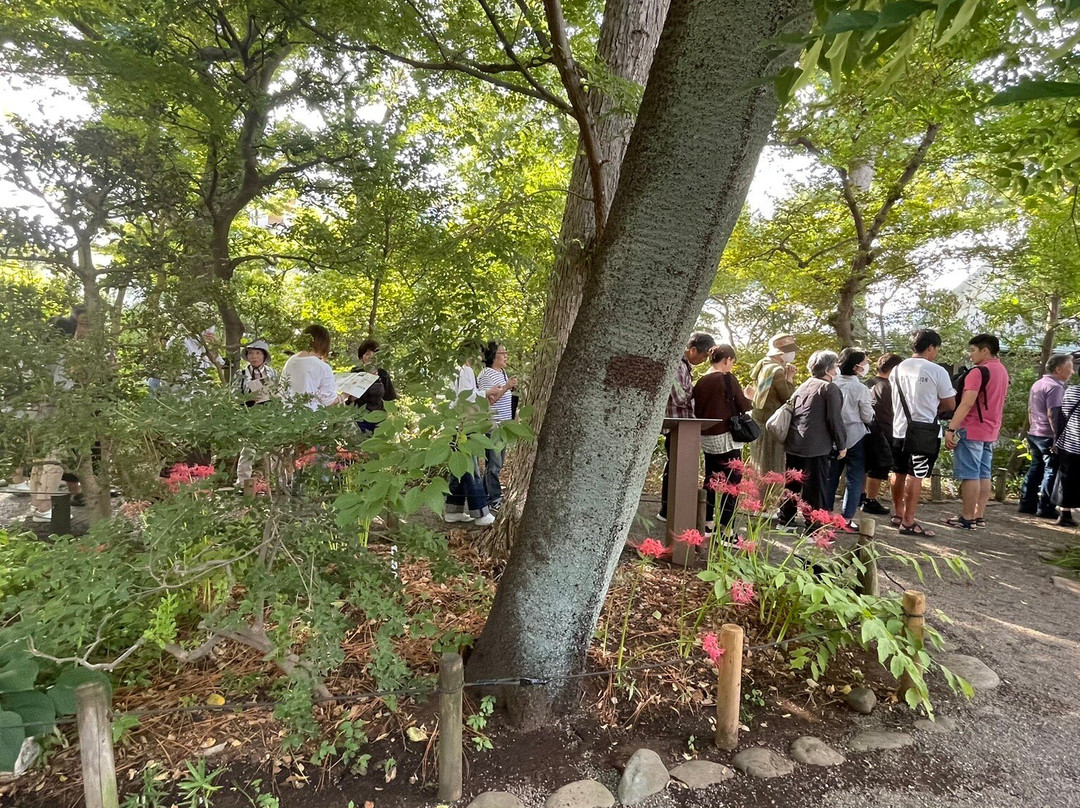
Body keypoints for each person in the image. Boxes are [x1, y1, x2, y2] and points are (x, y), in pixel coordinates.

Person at [891, 329, 955, 538]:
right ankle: (909, 521)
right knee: (916, 474)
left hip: (899, 429)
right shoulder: (937, 371)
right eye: (936, 348)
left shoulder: (897, 369)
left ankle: (898, 514)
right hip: (924, 431)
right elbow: (950, 403)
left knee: (899, 472)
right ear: (931, 347)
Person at [944, 334, 1011, 530]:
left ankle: (966, 518)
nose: (970, 355)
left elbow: (966, 403)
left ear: (985, 350)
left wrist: (951, 428)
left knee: (970, 474)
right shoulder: (1002, 371)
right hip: (990, 430)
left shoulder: (978, 372)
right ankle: (978, 515)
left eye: (973, 350)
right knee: (983, 474)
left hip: (972, 428)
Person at [780, 350, 847, 522]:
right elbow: (835, 419)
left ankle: (786, 520)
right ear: (827, 370)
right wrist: (841, 444)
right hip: (817, 447)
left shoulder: (804, 385)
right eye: (836, 365)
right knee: (815, 488)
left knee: (792, 485)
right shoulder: (829, 388)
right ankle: (813, 526)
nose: (837, 369)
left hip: (794, 443)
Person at [693, 344, 752, 533]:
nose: (732, 366)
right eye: (732, 362)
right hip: (726, 437)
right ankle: (727, 530)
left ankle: (706, 522)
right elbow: (743, 406)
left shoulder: (700, 382)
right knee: (731, 483)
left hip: (707, 437)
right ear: (727, 360)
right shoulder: (727, 379)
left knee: (711, 479)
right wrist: (750, 396)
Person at [658, 332, 715, 522]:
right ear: (692, 350)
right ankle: (667, 510)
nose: (704, 360)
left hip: (682, 425)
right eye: (704, 355)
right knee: (675, 468)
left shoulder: (684, 366)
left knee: (675, 466)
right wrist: (697, 395)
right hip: (676, 424)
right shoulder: (677, 365)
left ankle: (670, 509)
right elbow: (679, 396)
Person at [444, 341, 495, 526]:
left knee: (458, 469)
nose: (480, 358)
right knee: (470, 467)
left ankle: (453, 509)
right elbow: (467, 395)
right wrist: (487, 392)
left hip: (454, 423)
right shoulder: (465, 371)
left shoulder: (454, 370)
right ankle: (480, 512)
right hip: (463, 425)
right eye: (478, 354)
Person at [1019, 353, 1074, 521]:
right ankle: (1046, 507)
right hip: (1048, 435)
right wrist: (1058, 438)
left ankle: (1027, 503)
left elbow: (1030, 409)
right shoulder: (1056, 387)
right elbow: (1054, 414)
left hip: (1035, 433)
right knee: (1051, 470)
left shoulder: (1038, 383)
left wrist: (1032, 427)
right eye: (1069, 368)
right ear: (1058, 369)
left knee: (1036, 467)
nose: (1072, 372)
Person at [824, 348, 874, 530]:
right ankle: (845, 518)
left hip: (832, 437)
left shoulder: (832, 383)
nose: (867, 364)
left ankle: (825, 513)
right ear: (856, 367)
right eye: (865, 361)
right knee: (854, 479)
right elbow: (867, 416)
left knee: (831, 477)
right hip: (856, 437)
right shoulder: (860, 388)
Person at [748, 333, 799, 476]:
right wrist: (789, 378)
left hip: (759, 418)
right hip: (772, 421)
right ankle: (770, 494)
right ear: (780, 352)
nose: (792, 354)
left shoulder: (763, 364)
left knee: (759, 460)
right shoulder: (778, 370)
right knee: (772, 462)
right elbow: (787, 398)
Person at [476, 342, 518, 510]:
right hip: (492, 424)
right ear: (493, 356)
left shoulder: (503, 373)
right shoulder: (487, 374)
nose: (506, 355)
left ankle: (488, 496)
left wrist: (515, 416)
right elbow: (490, 400)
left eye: (506, 352)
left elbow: (508, 399)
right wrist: (507, 387)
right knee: (494, 463)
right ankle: (493, 498)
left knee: (498, 463)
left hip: (504, 424)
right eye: (502, 352)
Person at [862, 353, 903, 516]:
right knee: (879, 467)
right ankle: (870, 500)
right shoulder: (889, 387)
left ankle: (862, 496)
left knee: (864, 466)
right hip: (883, 431)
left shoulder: (868, 383)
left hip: (864, 430)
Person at [234, 339, 278, 487]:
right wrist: (248, 397)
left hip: (270, 413)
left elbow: (279, 391)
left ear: (264, 356)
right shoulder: (241, 374)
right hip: (250, 414)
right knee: (248, 450)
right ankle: (242, 483)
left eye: (258, 353)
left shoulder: (272, 373)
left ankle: (274, 481)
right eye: (251, 353)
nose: (254, 356)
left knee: (274, 449)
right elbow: (235, 396)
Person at [279, 325, 340, 410]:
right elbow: (329, 401)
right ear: (324, 344)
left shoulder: (291, 361)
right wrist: (345, 395)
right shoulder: (322, 367)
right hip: (310, 417)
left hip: (286, 414)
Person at [349, 338, 398, 434]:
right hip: (360, 417)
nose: (370, 357)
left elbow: (389, 397)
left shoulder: (383, 374)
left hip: (379, 417)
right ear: (361, 356)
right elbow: (349, 398)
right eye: (367, 354)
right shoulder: (355, 373)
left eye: (373, 354)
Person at [1049, 381, 1080, 527]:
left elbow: (1064, 413)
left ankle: (1065, 514)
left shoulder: (1070, 391)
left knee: (1066, 479)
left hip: (1069, 442)